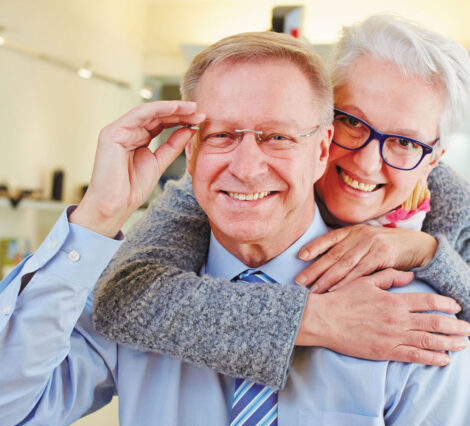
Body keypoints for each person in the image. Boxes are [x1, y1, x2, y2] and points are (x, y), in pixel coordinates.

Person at [1, 30, 470, 426]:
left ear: (320, 148)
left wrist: (429, 252)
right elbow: (8, 404)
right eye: (222, 135)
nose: (247, 168)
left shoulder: (410, 322)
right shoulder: (135, 294)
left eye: (279, 136)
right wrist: (97, 216)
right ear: (190, 150)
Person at [93, 15, 470, 390]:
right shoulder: (236, 185)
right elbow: (124, 296)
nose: (367, 163)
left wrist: (427, 251)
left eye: (406, 143)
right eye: (351, 122)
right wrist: (318, 319)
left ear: (433, 158)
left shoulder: (447, 204)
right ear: (320, 122)